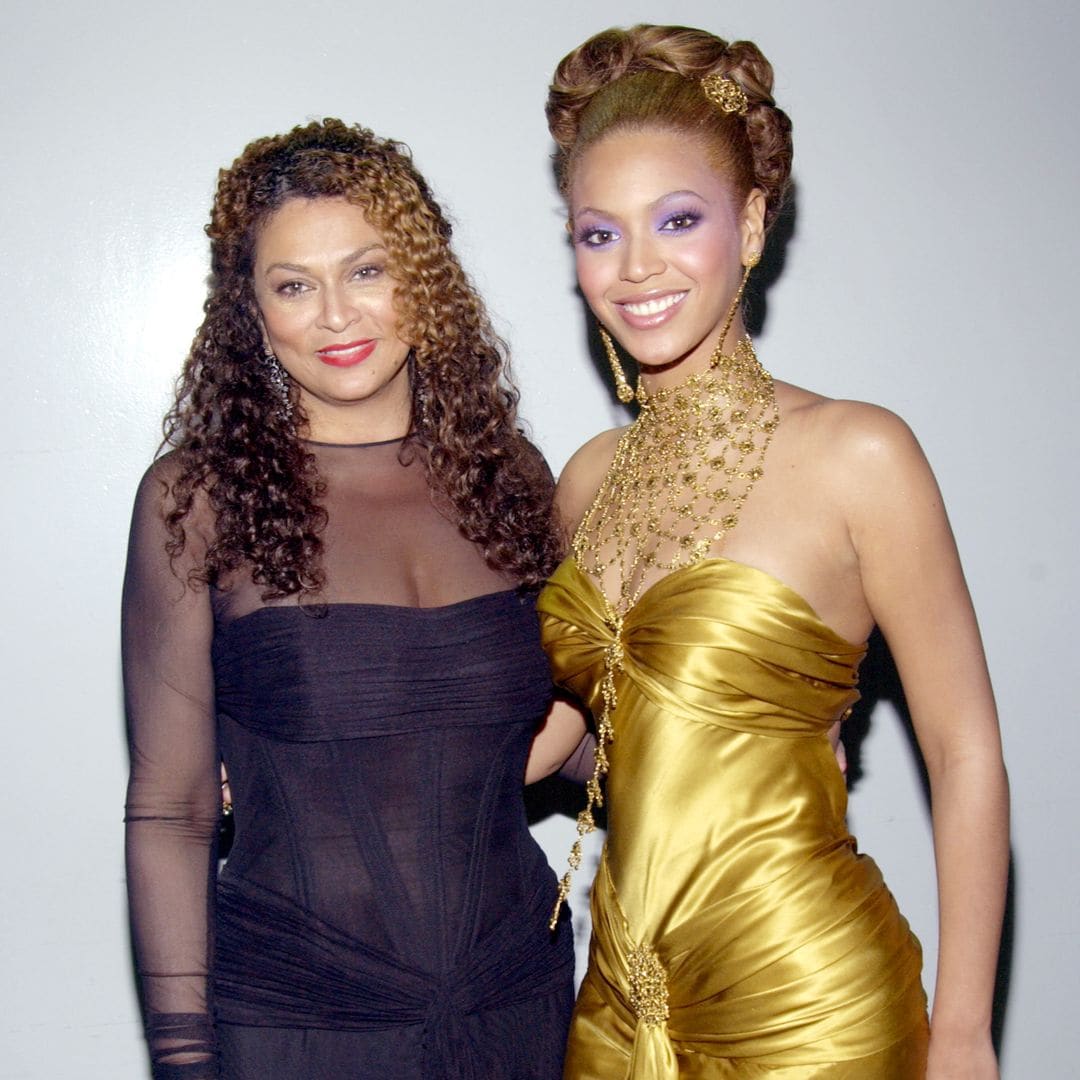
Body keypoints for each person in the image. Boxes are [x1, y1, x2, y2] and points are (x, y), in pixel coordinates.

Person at [535, 25, 1009, 1079]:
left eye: (679, 220)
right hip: (615, 1005)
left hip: (808, 1001)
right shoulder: (583, 481)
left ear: (749, 223)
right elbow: (573, 728)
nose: (637, 267)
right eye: (598, 233)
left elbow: (965, 750)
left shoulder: (859, 454)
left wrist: (967, 1034)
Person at [122, 118, 581, 1078]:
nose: (336, 315)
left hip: (518, 998)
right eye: (294, 285)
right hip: (301, 1017)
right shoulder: (197, 499)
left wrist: (732, 722)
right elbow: (170, 812)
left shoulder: (513, 478)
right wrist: (181, 1058)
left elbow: (565, 742)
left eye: (367, 271)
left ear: (421, 277)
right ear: (251, 310)